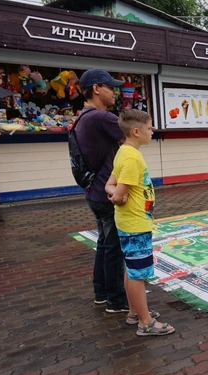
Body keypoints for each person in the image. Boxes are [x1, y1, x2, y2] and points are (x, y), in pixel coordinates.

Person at [105, 109, 175, 336]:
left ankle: (135, 312)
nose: (152, 131)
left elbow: (110, 184)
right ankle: (145, 322)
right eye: (150, 127)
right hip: (135, 223)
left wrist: (114, 192)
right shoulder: (133, 157)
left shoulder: (123, 152)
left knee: (131, 269)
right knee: (138, 273)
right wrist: (116, 195)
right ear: (137, 131)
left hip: (130, 222)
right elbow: (117, 194)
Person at [76, 68, 129, 313]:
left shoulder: (82, 116)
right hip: (107, 193)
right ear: (96, 89)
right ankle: (116, 300)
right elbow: (133, 135)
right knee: (114, 248)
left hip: (94, 192)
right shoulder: (101, 117)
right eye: (110, 87)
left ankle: (102, 293)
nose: (114, 92)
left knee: (105, 244)